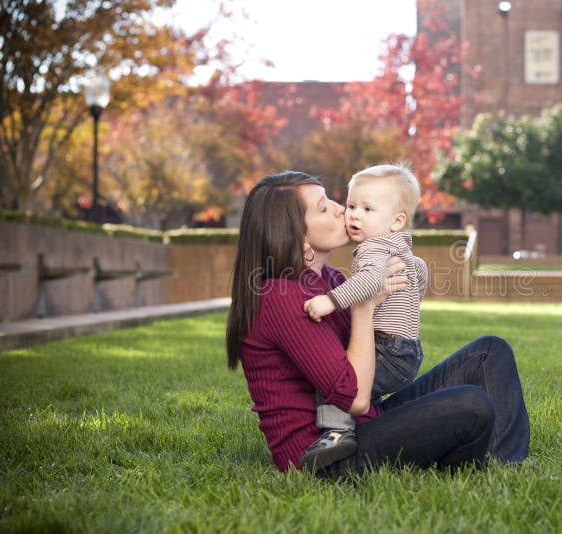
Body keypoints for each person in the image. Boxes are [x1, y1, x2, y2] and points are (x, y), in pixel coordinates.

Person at [226, 170, 530, 477]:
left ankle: (506, 467)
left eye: (332, 199)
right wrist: (364, 306)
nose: (341, 208)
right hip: (328, 455)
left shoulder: (330, 279)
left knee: (490, 352)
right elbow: (356, 398)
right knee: (471, 405)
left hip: (367, 424)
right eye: (323, 207)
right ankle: (475, 457)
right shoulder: (282, 297)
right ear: (296, 234)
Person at [301, 164, 428, 470]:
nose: (355, 215)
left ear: (397, 221)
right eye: (352, 205)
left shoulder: (373, 248)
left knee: (339, 381)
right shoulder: (403, 250)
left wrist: (329, 302)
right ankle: (366, 424)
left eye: (368, 209)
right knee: (365, 384)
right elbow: (421, 273)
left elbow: (370, 282)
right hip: (409, 348)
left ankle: (337, 433)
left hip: (389, 348)